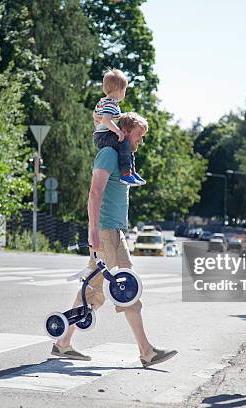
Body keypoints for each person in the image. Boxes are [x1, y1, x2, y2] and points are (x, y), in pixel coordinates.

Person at [51, 112, 177, 368]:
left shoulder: (121, 158)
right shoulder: (109, 154)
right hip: (106, 231)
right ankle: (146, 351)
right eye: (139, 135)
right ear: (126, 131)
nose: (140, 141)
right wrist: (93, 230)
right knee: (120, 288)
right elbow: (95, 192)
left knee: (104, 289)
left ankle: (63, 343)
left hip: (115, 231)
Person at [92, 69, 145, 187]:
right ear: (120, 90)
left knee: (127, 146)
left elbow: (95, 115)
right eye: (125, 89)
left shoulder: (103, 101)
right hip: (104, 137)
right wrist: (118, 131)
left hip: (102, 135)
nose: (124, 92)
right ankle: (126, 174)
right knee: (124, 143)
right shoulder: (111, 103)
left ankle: (131, 171)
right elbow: (106, 120)